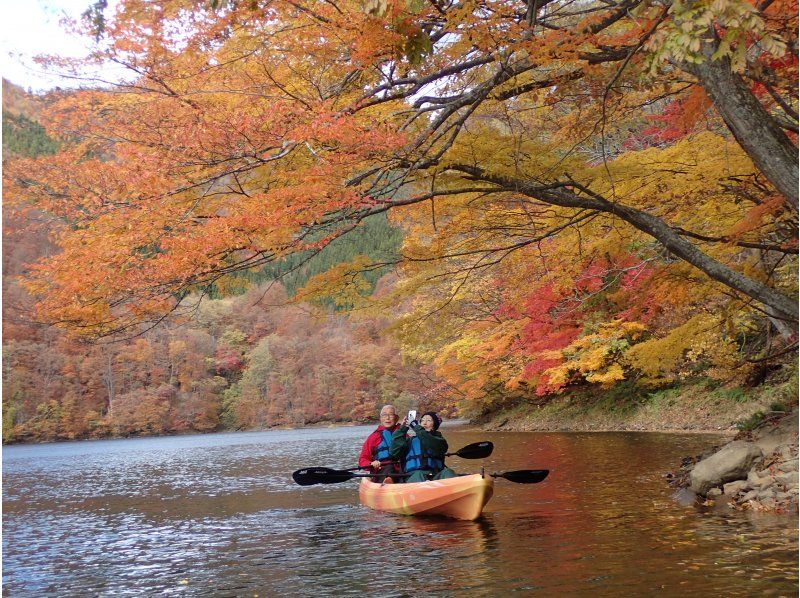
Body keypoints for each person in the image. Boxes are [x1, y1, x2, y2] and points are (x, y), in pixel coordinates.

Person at [390, 411, 457, 483]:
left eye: (428, 420)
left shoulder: (439, 440)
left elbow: (430, 441)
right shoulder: (409, 441)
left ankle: (456, 490)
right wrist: (403, 428)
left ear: (434, 425)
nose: (424, 423)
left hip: (436, 476)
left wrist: (416, 427)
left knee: (448, 472)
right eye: (422, 420)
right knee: (418, 474)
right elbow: (394, 453)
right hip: (413, 476)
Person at [358, 404, 401, 482]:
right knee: (389, 468)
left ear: (396, 418)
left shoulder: (403, 434)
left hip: (401, 470)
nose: (387, 418)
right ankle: (388, 482)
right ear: (381, 418)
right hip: (382, 471)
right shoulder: (373, 437)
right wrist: (371, 463)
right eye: (384, 415)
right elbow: (362, 459)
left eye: (391, 414)